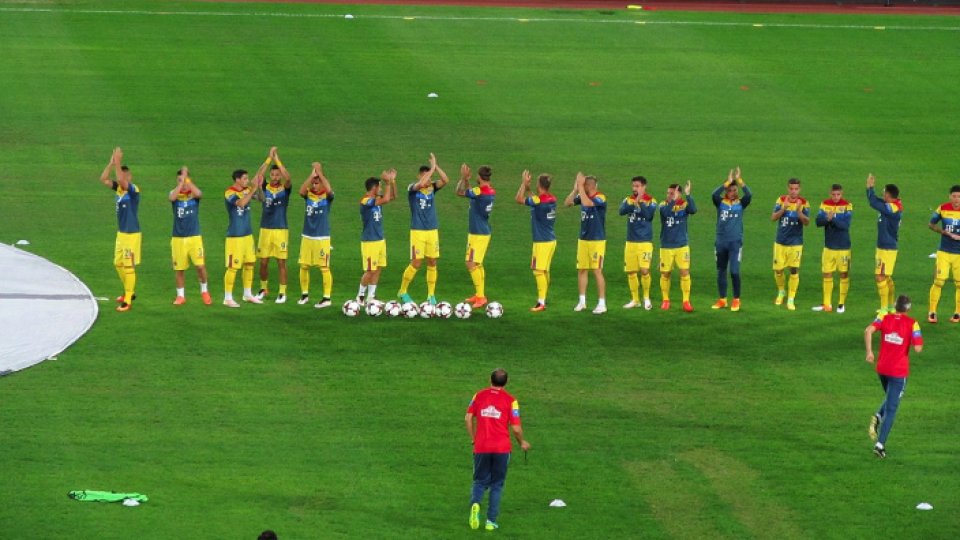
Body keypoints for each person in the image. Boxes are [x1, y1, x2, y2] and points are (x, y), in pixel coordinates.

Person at [465, 368, 531, 532]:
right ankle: (491, 521)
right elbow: (515, 428)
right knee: (497, 485)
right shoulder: (511, 400)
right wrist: (522, 442)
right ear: (506, 382)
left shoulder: (478, 395)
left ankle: (475, 504)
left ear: (490, 379)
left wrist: (474, 438)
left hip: (481, 446)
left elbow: (467, 418)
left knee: (479, 481)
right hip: (502, 448)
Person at [864, 294, 923, 459]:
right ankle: (880, 445)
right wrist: (913, 340)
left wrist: (869, 352)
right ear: (908, 309)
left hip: (882, 369)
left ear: (894, 305)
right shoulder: (913, 324)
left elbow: (868, 330)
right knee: (892, 408)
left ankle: (877, 416)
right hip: (898, 372)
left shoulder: (884, 316)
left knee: (891, 398)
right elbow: (918, 348)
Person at [398, 153, 449, 305]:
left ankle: (431, 295)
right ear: (419, 176)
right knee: (416, 263)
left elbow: (445, 180)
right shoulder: (412, 189)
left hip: (432, 230)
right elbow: (421, 184)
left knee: (432, 261)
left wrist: (436, 165)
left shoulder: (432, 188)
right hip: (418, 231)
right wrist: (431, 168)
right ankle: (402, 291)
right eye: (425, 176)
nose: (428, 179)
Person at [99, 147, 140, 312]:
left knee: (129, 266)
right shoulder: (118, 189)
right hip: (121, 233)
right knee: (117, 263)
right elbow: (103, 178)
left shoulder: (134, 190)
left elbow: (123, 182)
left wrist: (118, 162)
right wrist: (111, 163)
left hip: (131, 234)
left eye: (125, 175)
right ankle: (129, 291)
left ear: (129, 177)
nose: (122, 178)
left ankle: (128, 300)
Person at [223, 162, 268, 307]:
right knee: (233, 267)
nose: (247, 181)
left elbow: (261, 199)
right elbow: (241, 203)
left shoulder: (247, 189)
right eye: (244, 179)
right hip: (235, 236)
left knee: (249, 264)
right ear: (237, 179)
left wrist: (259, 188)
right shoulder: (229, 192)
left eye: (247, 179)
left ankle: (247, 294)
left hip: (247, 234)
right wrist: (252, 188)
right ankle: (228, 298)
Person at [564, 173, 607, 314]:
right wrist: (575, 190)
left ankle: (602, 303)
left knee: (597, 271)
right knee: (582, 269)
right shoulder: (582, 195)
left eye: (584, 184)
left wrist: (581, 188)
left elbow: (588, 204)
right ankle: (582, 302)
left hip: (597, 240)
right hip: (583, 240)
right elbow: (567, 203)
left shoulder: (601, 197)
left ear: (590, 186)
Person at [168, 167, 211, 306]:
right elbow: (171, 197)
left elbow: (199, 193)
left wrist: (187, 180)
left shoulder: (193, 194)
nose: (183, 182)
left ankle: (204, 291)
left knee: (200, 266)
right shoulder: (174, 193)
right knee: (179, 269)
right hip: (178, 238)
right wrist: (181, 183)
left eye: (185, 180)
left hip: (194, 237)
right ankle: (181, 296)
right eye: (179, 180)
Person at [515, 170, 557, 312]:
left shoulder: (539, 201)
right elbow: (536, 200)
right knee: (544, 271)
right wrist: (528, 188)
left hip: (542, 242)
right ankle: (543, 298)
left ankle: (541, 302)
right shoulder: (551, 199)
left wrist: (523, 184)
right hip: (550, 240)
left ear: (539, 185)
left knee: (538, 271)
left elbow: (519, 199)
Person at [711, 168, 751, 312]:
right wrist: (726, 182)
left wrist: (740, 180)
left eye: (735, 190)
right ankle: (722, 300)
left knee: (734, 271)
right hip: (720, 242)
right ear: (726, 191)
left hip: (735, 243)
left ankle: (736, 300)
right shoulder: (720, 202)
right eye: (731, 190)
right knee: (721, 271)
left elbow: (749, 194)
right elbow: (714, 194)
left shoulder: (741, 203)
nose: (734, 192)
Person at [255, 147, 292, 303]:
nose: (276, 176)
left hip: (280, 230)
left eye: (278, 174)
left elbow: (288, 178)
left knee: (281, 262)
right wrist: (268, 159)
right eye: (273, 174)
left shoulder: (285, 189)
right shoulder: (265, 188)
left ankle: (282, 292)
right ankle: (264, 288)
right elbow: (258, 176)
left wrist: (277, 160)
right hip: (265, 229)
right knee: (263, 262)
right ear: (270, 176)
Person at [457, 164, 496, 309]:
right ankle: (479, 294)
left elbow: (459, 192)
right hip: (480, 231)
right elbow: (468, 192)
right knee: (477, 263)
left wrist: (464, 178)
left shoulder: (479, 191)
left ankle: (481, 297)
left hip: (479, 233)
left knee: (470, 263)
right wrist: (467, 181)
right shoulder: (490, 190)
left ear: (479, 177)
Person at [296, 163, 335, 308]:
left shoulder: (327, 196)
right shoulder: (309, 195)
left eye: (317, 183)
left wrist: (320, 173)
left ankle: (326, 298)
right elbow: (301, 191)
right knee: (304, 266)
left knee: (324, 267)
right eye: (313, 182)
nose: (314, 185)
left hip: (322, 237)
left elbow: (329, 189)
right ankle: (304, 295)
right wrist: (311, 176)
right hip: (307, 236)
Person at [356, 169, 397, 305]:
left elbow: (392, 197)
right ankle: (360, 296)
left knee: (378, 268)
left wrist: (392, 182)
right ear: (374, 188)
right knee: (370, 270)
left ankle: (371, 297)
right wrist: (387, 183)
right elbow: (386, 198)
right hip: (370, 241)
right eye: (379, 186)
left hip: (380, 240)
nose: (380, 189)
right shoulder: (365, 201)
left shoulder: (375, 200)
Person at [619, 176, 658, 310]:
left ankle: (646, 297)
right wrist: (633, 202)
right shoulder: (628, 199)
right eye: (633, 186)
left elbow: (649, 216)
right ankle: (635, 299)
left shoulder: (651, 201)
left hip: (645, 242)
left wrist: (640, 202)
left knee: (645, 270)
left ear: (644, 187)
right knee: (631, 272)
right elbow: (621, 211)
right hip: (630, 242)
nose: (634, 188)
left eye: (637, 186)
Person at [813, 183, 853, 313]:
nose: (836, 197)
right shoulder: (824, 204)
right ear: (830, 193)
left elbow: (845, 225)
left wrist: (832, 218)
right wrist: (827, 219)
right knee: (827, 273)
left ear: (842, 194)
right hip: (829, 246)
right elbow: (818, 222)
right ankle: (827, 304)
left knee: (843, 274)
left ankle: (841, 304)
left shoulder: (847, 205)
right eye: (833, 194)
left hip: (843, 247)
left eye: (838, 194)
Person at [771, 178, 810, 310]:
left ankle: (791, 298)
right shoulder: (781, 200)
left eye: (796, 189)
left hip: (796, 242)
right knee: (778, 269)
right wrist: (784, 208)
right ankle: (781, 291)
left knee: (794, 270)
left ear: (800, 189)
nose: (794, 191)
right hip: (780, 241)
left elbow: (807, 222)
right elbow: (773, 217)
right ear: (788, 189)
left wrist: (799, 211)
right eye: (791, 189)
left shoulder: (804, 203)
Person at [866, 174, 902, 314]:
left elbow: (874, 203)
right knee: (886, 277)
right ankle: (891, 306)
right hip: (884, 246)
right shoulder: (891, 205)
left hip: (887, 247)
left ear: (888, 195)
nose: (883, 195)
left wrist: (870, 188)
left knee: (880, 276)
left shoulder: (894, 208)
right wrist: (871, 191)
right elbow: (876, 201)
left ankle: (884, 308)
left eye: (884, 193)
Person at [659, 181, 697, 312]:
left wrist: (688, 195)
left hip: (682, 245)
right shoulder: (663, 205)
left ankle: (686, 301)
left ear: (679, 193)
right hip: (666, 245)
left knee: (684, 272)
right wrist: (673, 201)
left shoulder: (685, 204)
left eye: (673, 193)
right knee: (665, 273)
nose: (669, 195)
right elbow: (666, 213)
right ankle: (665, 300)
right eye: (668, 193)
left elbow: (693, 210)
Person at [926, 184, 960, 323]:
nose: (957, 199)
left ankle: (957, 312)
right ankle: (932, 311)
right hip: (944, 251)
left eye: (959, 197)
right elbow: (931, 224)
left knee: (959, 283)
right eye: (954, 196)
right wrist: (944, 232)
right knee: (939, 281)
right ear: (949, 197)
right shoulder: (943, 208)